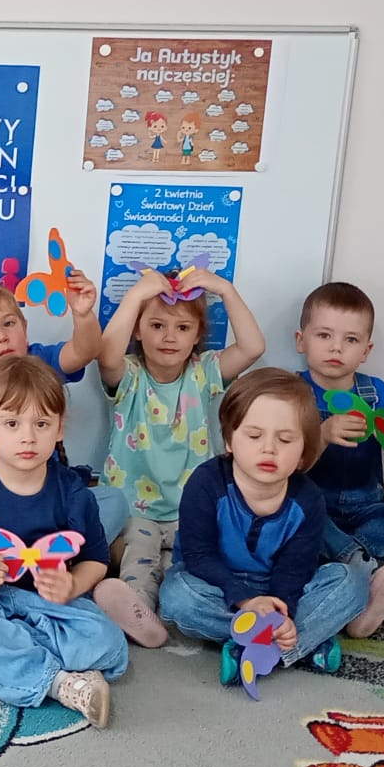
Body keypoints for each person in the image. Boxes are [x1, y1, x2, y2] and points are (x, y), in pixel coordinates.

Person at [0, 356, 135, 726]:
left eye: (41, 424)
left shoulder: (74, 493)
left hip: (47, 607)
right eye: (12, 423)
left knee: (107, 643)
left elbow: (96, 559)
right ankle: (60, 683)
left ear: (59, 428)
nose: (28, 437)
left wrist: (72, 585)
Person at [160, 369, 384, 683]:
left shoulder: (308, 499)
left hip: (283, 591)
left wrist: (284, 611)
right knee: (177, 597)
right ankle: (304, 642)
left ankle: (256, 646)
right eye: (254, 436)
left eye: (285, 439)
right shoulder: (205, 483)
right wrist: (247, 600)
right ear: (229, 440)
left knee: (351, 582)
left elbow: (295, 570)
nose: (269, 448)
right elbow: (198, 556)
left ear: (304, 453)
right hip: (217, 585)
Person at [98, 263, 266, 622]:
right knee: (138, 563)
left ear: (197, 335)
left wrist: (226, 290)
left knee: (206, 564)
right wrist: (136, 295)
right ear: (138, 330)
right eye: (157, 325)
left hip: (190, 510)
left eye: (183, 328)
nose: (169, 337)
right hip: (135, 510)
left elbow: (253, 347)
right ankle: (137, 613)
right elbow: (106, 355)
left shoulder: (203, 372)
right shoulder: (129, 375)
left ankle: (191, 596)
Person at [0, 278, 123, 540]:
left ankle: (56, 550)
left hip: (53, 499)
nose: (1, 337)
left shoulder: (39, 361)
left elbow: (84, 352)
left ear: (25, 328)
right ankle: (37, 551)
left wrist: (83, 315)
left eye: (8, 323)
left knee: (114, 500)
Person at [294, 283, 384, 598]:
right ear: (301, 341)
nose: (336, 348)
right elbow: (287, 470)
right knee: (287, 512)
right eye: (324, 335)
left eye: (350, 339)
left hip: (367, 510)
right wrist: (323, 435)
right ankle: (372, 566)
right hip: (314, 506)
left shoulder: (376, 393)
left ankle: (345, 557)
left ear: (365, 351)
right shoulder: (291, 393)